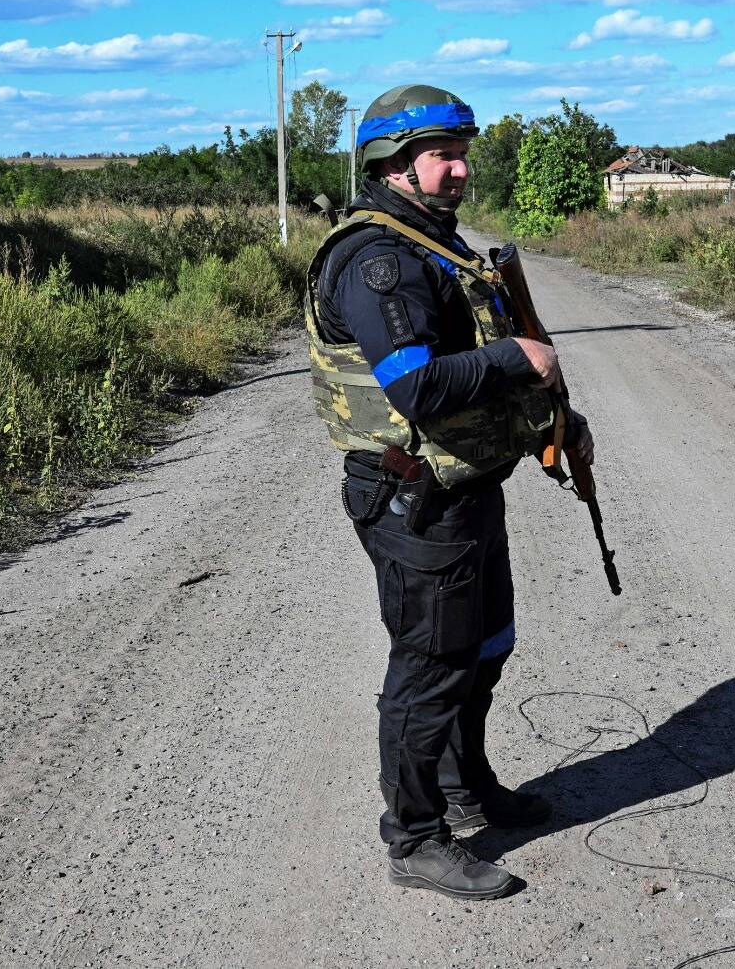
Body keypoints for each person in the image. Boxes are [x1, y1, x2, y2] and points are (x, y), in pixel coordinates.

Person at [305, 83, 593, 901]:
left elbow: (489, 355)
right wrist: (518, 361)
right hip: (412, 500)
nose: (461, 168)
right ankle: (416, 838)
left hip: (465, 490)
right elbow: (420, 390)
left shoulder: (437, 244)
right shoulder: (378, 262)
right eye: (444, 155)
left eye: (463, 152)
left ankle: (468, 788)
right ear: (395, 165)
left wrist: (560, 418)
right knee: (430, 666)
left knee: (484, 647)